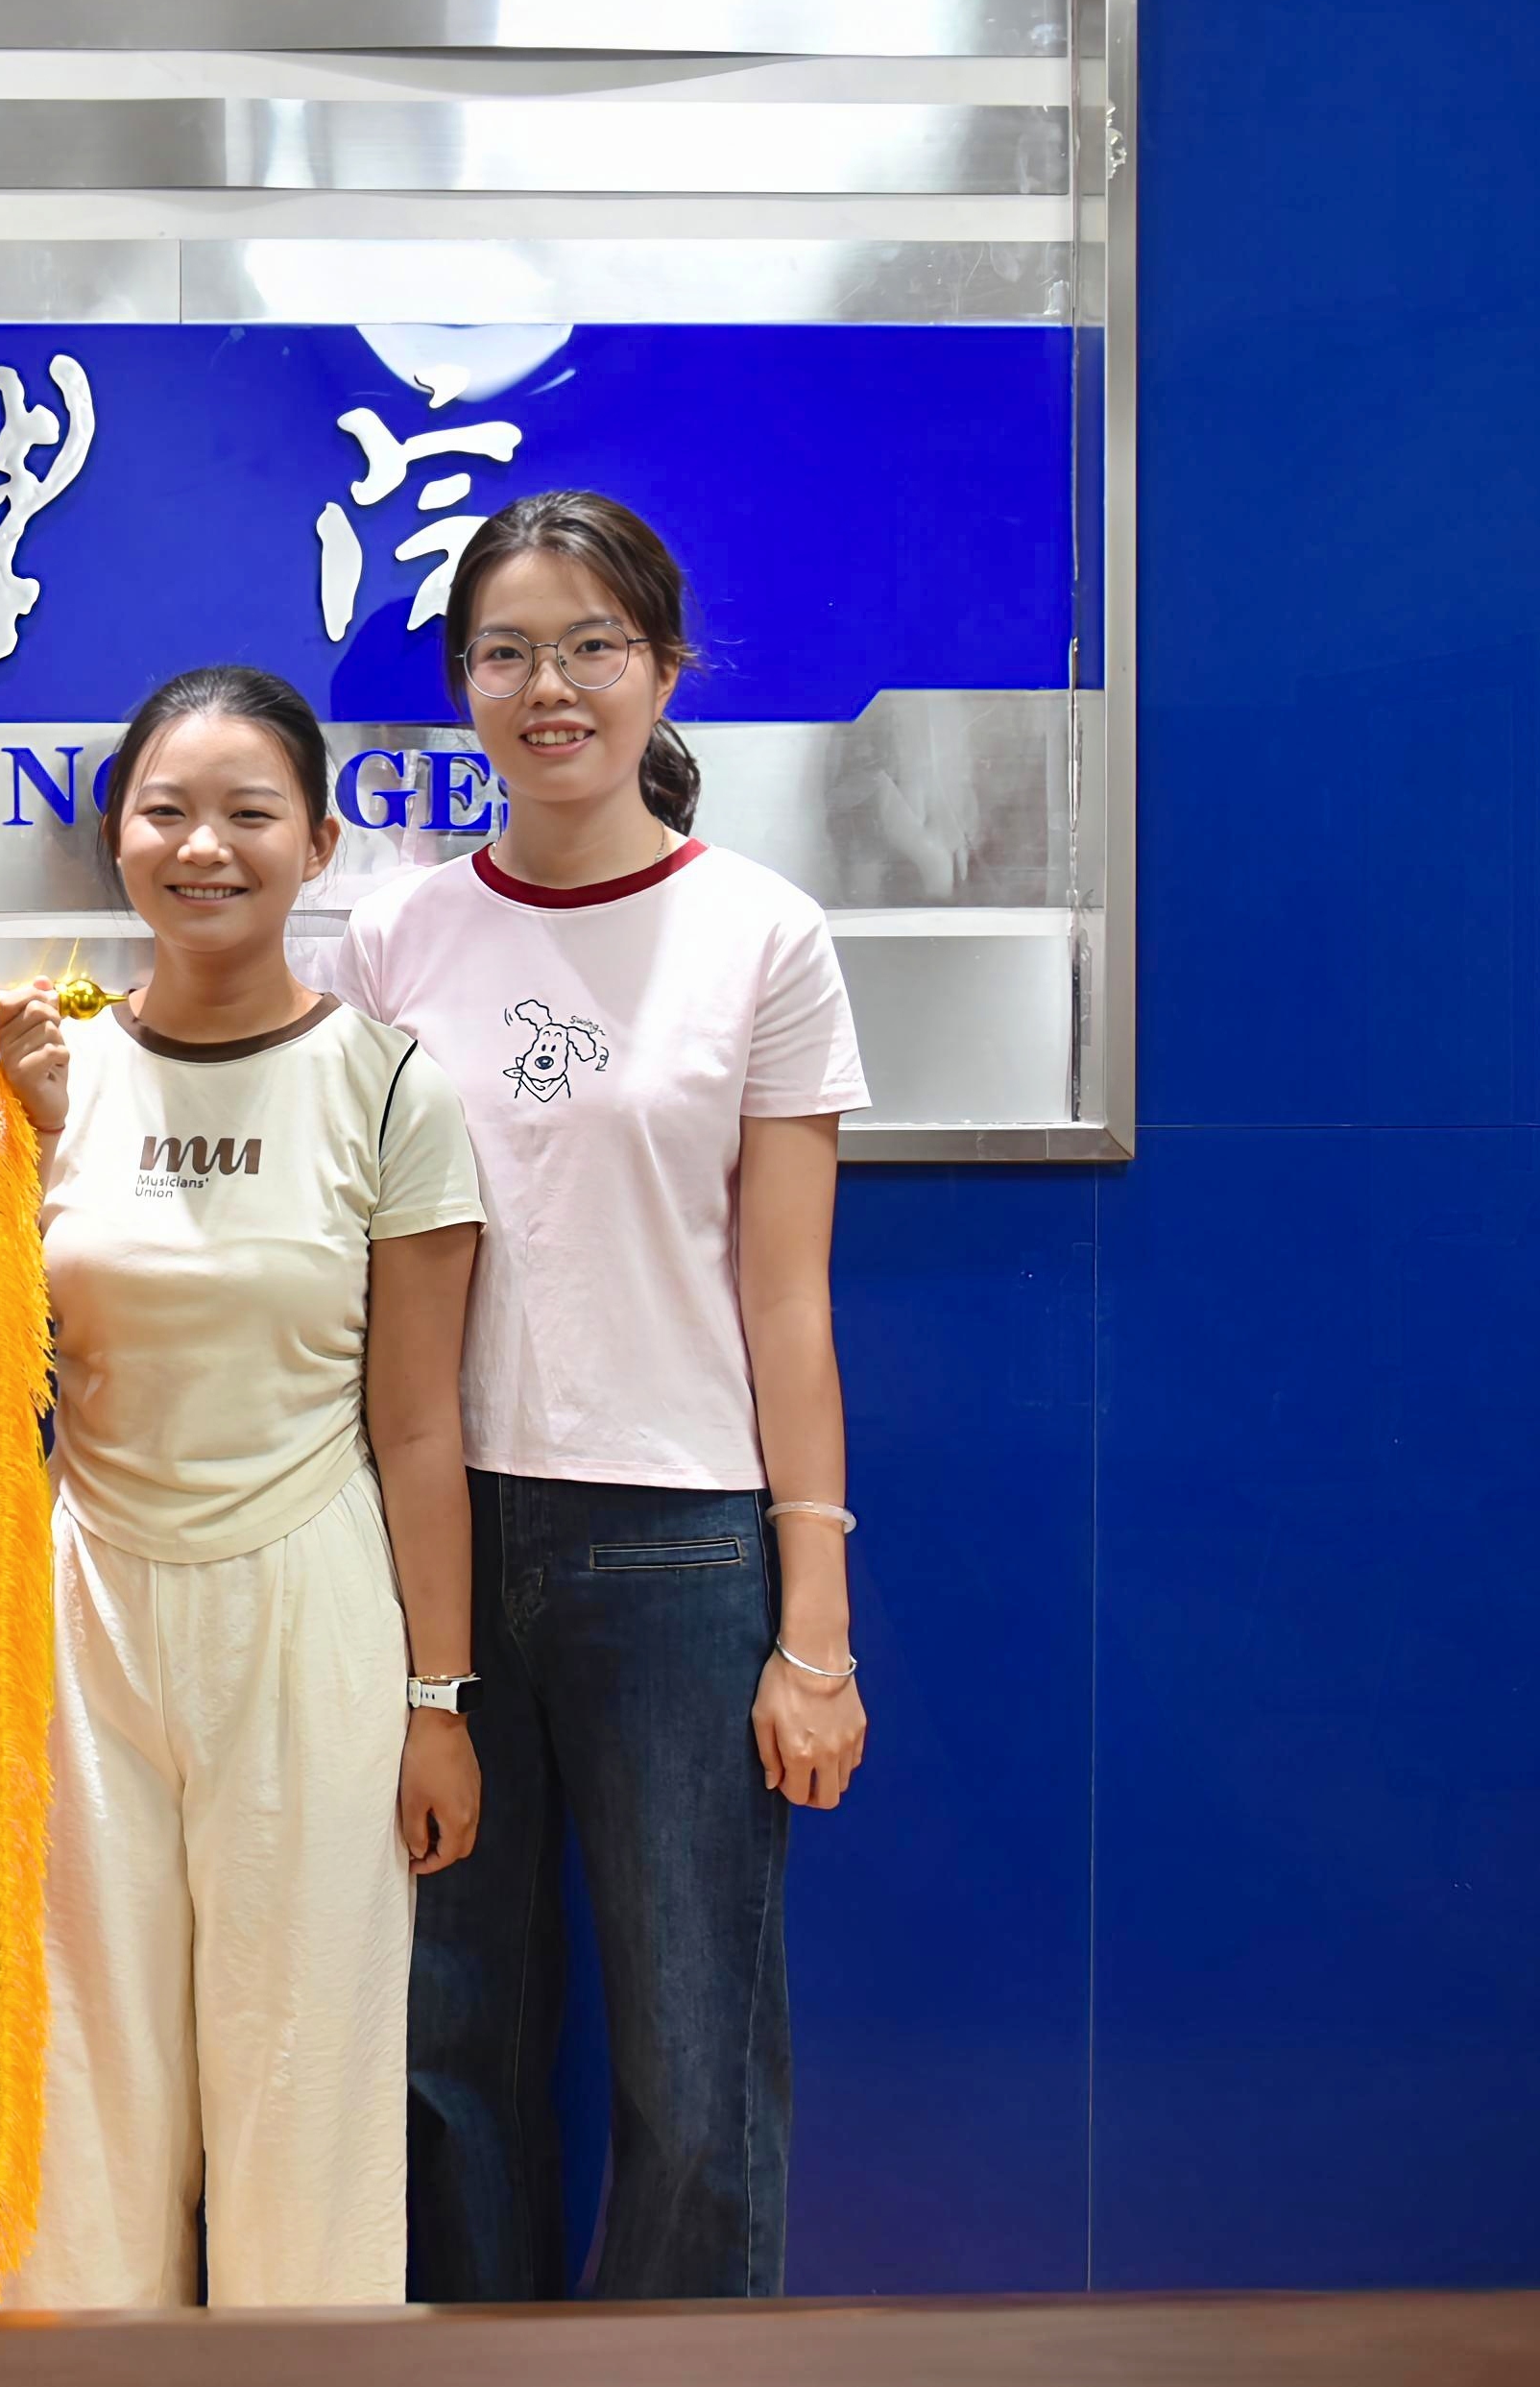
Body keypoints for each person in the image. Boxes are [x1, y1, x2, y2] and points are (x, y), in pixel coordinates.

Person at [322, 491, 873, 2302]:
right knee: (445, 2039)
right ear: (460, 683)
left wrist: (813, 1627)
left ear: (664, 671)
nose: (547, 687)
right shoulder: (394, 938)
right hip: (432, 1534)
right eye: (506, 652)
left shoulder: (762, 933)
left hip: (677, 1546)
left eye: (590, 648)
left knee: (695, 2069)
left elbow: (787, 1300)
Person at [0, 665, 487, 2308]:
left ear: (319, 844)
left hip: (309, 1606)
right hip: (85, 1614)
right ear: (118, 837)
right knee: (83, 2064)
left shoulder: (390, 1085)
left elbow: (420, 1426)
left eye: (250, 812)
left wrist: (436, 1700)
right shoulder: (45, 1076)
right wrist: (10, 1143)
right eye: (168, 811)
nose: (205, 846)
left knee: (306, 2070)